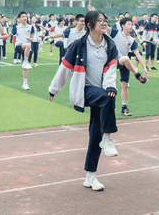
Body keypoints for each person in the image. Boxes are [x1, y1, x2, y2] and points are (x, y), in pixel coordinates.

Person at [48, 10, 119, 191]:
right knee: (107, 98)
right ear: (90, 25)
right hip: (84, 90)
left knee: (95, 133)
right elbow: (64, 69)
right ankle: (109, 137)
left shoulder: (109, 45)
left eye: (106, 20)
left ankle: (90, 176)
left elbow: (111, 70)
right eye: (100, 21)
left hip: (101, 94)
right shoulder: (78, 45)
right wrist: (53, 89)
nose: (104, 23)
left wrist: (110, 86)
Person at [110, 17, 149, 116]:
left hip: (125, 64)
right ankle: (137, 74)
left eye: (132, 24)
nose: (131, 26)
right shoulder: (115, 33)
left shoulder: (132, 39)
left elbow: (137, 54)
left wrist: (144, 67)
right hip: (114, 61)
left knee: (125, 85)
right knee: (126, 58)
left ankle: (124, 107)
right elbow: (104, 27)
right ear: (123, 25)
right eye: (128, 24)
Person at [14, 12, 35, 90]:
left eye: (25, 16)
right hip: (19, 46)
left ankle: (25, 83)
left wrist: (31, 39)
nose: (25, 18)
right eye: (23, 16)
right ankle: (25, 61)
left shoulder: (31, 27)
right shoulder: (16, 27)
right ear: (19, 18)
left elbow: (32, 37)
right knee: (28, 45)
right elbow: (10, 34)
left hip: (27, 49)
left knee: (25, 68)